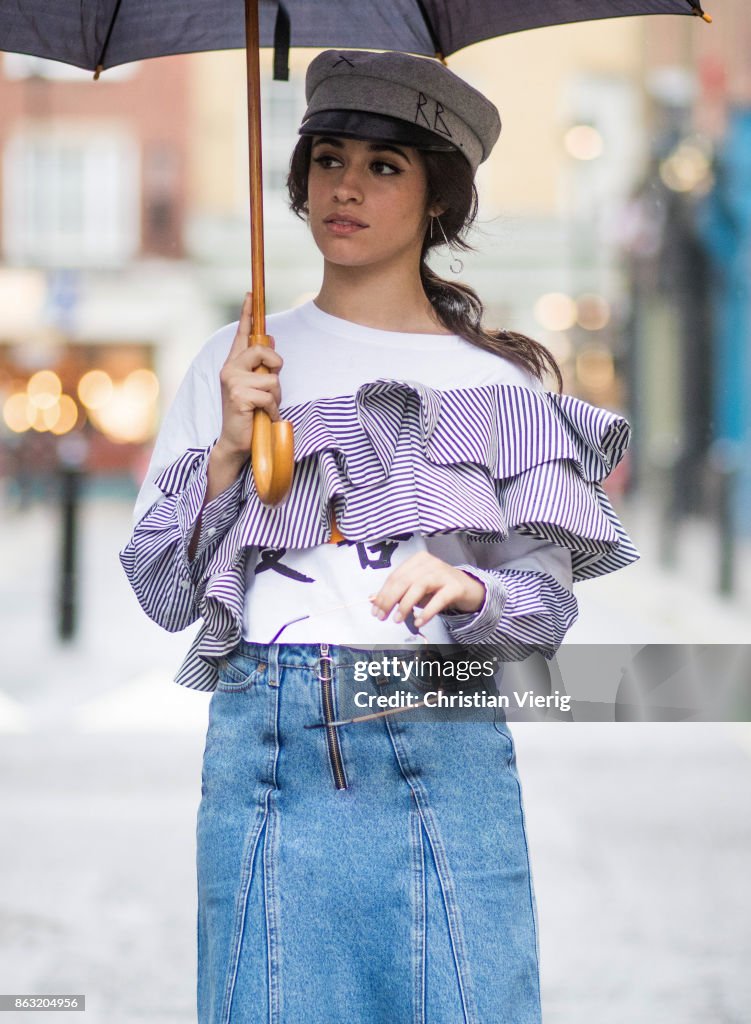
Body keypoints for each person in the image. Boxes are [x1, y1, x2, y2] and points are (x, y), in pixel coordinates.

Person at [120, 49, 639, 1024]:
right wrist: (229, 448)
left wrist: (473, 589)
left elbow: (546, 608)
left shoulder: (498, 389)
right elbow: (163, 593)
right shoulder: (235, 366)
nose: (345, 185)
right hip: (265, 736)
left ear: (438, 198)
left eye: (384, 165)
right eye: (328, 158)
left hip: (437, 725)